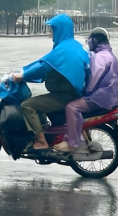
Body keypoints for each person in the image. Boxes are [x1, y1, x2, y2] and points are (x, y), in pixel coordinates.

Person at [12, 14, 90, 151]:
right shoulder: (72, 46)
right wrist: (23, 70)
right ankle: (45, 132)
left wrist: (23, 75)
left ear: (60, 30)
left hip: (66, 95)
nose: (51, 33)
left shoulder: (63, 49)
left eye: (53, 29)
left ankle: (41, 142)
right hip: (74, 92)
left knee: (27, 105)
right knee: (39, 103)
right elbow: (44, 61)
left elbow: (43, 67)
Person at [54, 27, 118, 153]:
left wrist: (84, 92)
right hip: (109, 96)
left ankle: (73, 142)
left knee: (72, 107)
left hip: (101, 98)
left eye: (90, 40)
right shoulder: (108, 55)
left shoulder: (101, 57)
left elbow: (94, 79)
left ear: (95, 40)